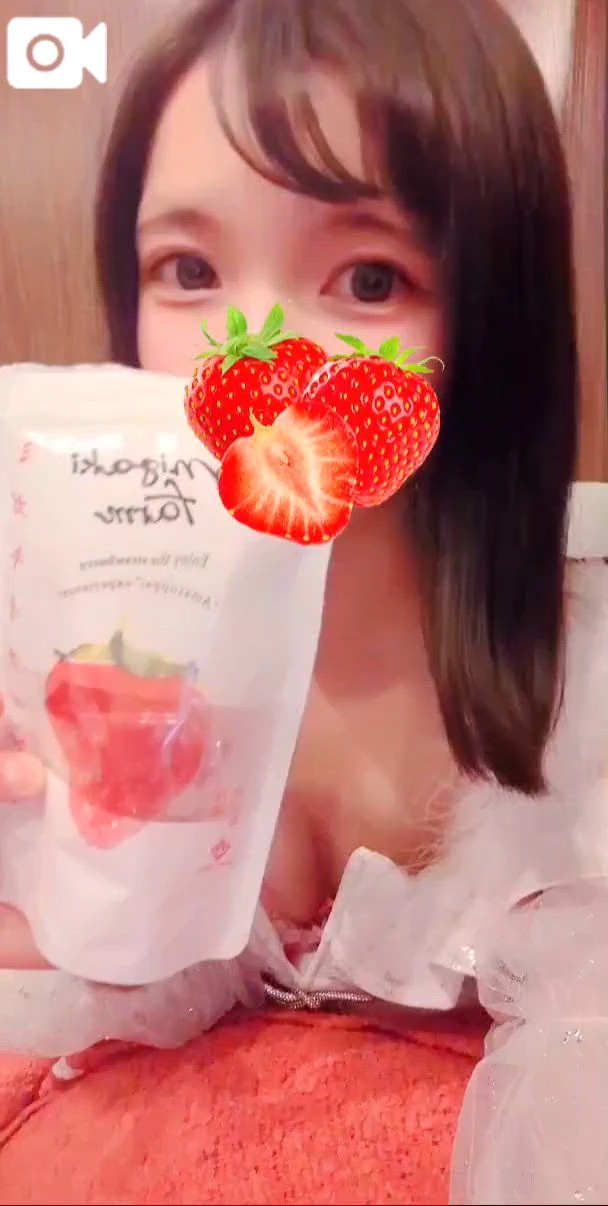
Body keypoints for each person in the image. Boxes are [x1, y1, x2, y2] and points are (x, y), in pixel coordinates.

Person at [1, 0, 607, 1199]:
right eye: (187, 270)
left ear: (491, 314)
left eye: (367, 278)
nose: (258, 354)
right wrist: (47, 885)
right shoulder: (89, 642)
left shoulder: (579, 691)